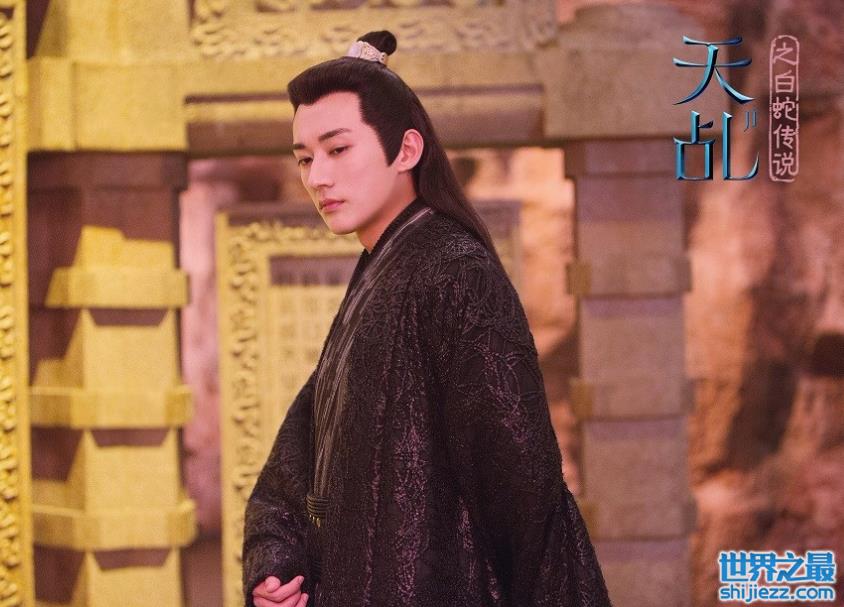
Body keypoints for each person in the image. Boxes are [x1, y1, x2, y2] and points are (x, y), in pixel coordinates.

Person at [242, 30, 613, 607]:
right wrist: (277, 568)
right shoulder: (383, 270)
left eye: (338, 150)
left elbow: (522, 486)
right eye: (305, 159)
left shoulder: (455, 272)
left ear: (407, 150)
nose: (317, 178)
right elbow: (301, 452)